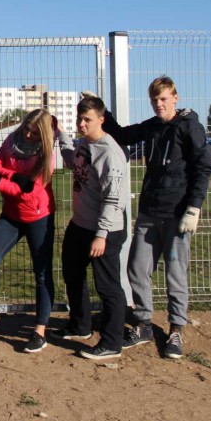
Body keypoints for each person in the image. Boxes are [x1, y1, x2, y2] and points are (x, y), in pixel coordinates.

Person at [101, 76, 211, 359]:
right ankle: (143, 323)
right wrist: (104, 112)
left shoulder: (189, 127)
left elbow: (203, 167)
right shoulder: (151, 127)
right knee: (137, 269)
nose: (158, 104)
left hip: (177, 215)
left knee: (175, 274)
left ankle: (176, 328)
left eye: (163, 99)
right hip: (149, 213)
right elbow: (123, 135)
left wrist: (194, 208)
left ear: (175, 97)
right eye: (154, 100)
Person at [54, 96, 130, 359]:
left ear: (101, 119)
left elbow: (114, 199)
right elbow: (71, 160)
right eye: (79, 119)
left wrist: (102, 235)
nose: (82, 124)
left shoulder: (109, 153)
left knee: (107, 286)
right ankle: (80, 325)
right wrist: (62, 135)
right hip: (80, 225)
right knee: (72, 274)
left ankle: (112, 342)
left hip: (104, 230)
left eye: (87, 120)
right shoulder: (85, 145)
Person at [0, 109, 56, 353]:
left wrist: (1, 182)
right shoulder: (12, 141)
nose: (29, 134)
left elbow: (29, 192)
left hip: (38, 216)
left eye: (35, 132)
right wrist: (15, 176)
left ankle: (40, 331)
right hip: (11, 215)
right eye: (26, 128)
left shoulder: (47, 154)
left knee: (42, 272)